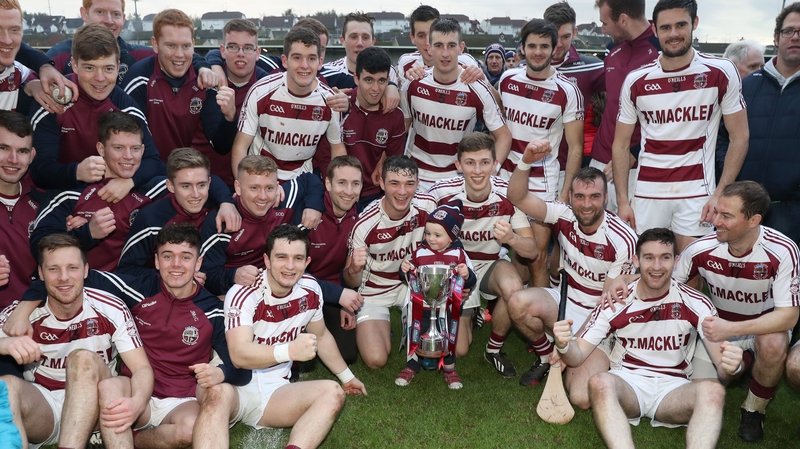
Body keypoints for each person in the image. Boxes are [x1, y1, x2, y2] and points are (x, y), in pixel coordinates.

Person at [7, 223, 251, 448]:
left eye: (186, 257)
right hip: (134, 388)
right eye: (168, 256)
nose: (176, 264)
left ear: (198, 264)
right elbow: (66, 278)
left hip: (180, 400)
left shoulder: (213, 310)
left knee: (188, 432)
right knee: (110, 388)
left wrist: (222, 372)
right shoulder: (136, 290)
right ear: (157, 261)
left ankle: (134, 439)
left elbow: (242, 368)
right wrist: (23, 310)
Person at [553, 228, 744, 448]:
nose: (657, 266)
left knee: (714, 391)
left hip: (673, 388)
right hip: (628, 383)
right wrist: (564, 345)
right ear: (636, 261)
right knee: (600, 382)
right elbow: (577, 356)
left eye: (665, 257)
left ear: (676, 261)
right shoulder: (616, 300)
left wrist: (734, 367)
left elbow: (723, 369)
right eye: (649, 257)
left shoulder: (697, 302)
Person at [611, 0, 749, 256]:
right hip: (648, 193)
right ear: (654, 29)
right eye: (665, 27)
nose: (673, 34)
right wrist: (622, 201)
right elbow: (620, 144)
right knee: (649, 267)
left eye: (680, 25)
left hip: (697, 193)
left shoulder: (720, 71)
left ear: (694, 23)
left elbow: (740, 137)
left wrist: (719, 194)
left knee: (690, 268)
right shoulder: (636, 80)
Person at [507, 141, 637, 405]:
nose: (586, 204)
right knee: (518, 302)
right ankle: (545, 355)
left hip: (600, 319)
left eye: (594, 197)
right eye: (579, 197)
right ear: (570, 197)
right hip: (565, 304)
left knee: (581, 398)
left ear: (606, 198)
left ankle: (596, 358)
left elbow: (606, 306)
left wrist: (571, 346)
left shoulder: (622, 239)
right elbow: (517, 197)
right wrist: (526, 160)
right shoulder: (563, 214)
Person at [671, 181, 798, 442]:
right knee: (695, 403)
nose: (715, 221)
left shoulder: (783, 250)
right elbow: (669, 288)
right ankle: (744, 365)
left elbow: (788, 316)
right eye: (717, 212)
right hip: (719, 332)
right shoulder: (700, 249)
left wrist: (731, 328)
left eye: (726, 216)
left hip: (760, 329)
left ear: (753, 221)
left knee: (773, 344)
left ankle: (753, 409)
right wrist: (627, 279)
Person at [0, 234, 153, 448]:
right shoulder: (21, 315)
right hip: (46, 406)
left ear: (86, 270)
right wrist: (4, 344)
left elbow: (141, 368)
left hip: (97, 405)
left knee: (82, 359)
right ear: (41, 273)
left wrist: (137, 403)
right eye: (53, 269)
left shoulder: (111, 307)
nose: (64, 277)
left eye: (72, 268)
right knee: (6, 386)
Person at [223, 225, 367, 449]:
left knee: (333, 393)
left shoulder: (311, 289)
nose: (290, 266)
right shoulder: (245, 293)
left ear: (307, 262)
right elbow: (239, 355)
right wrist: (289, 351)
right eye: (281, 257)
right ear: (267, 260)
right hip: (235, 388)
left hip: (276, 392)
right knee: (215, 396)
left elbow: (321, 336)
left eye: (298, 258)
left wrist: (347, 377)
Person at [427, 132, 536, 372]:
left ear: (495, 164)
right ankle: (471, 311)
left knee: (514, 288)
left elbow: (532, 250)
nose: (477, 171)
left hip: (489, 266)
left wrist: (512, 238)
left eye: (484, 162)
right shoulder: (440, 193)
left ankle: (493, 349)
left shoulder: (508, 194)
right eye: (470, 163)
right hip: (454, 270)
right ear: (458, 165)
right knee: (460, 349)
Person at [498, 18, 584, 288]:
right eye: (532, 46)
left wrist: (564, 194)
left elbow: (576, 147)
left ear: (554, 48)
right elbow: (498, 127)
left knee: (536, 258)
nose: (538, 52)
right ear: (522, 48)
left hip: (541, 183)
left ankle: (544, 312)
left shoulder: (568, 90)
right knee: (508, 251)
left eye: (544, 46)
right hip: (505, 177)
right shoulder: (507, 79)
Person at [29, 24, 164, 193]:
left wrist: (129, 182)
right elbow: (39, 170)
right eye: (90, 68)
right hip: (61, 196)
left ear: (118, 66)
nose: (100, 78)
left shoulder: (126, 106)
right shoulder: (53, 101)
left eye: (108, 69)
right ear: (74, 65)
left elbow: (153, 161)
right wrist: (77, 172)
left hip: (110, 193)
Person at [30, 111, 168, 272]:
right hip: (81, 284)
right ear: (101, 149)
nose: (128, 156)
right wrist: (87, 233)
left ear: (143, 150)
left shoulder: (155, 189)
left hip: (132, 283)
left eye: (135, 148)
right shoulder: (69, 191)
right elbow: (38, 248)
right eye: (118, 148)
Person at [717, 2, 800, 246]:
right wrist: (731, 174)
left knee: (787, 270)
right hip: (742, 207)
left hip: (792, 209)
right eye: (789, 31)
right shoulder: (746, 85)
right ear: (776, 37)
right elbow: (721, 137)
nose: (795, 37)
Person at [344, 155, 436, 369]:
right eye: (394, 183)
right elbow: (350, 281)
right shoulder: (365, 224)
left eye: (409, 184)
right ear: (381, 183)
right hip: (374, 290)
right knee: (376, 359)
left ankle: (410, 317)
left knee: (440, 350)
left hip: (412, 284)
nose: (402, 192)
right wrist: (354, 268)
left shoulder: (428, 206)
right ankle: (388, 323)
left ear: (418, 184)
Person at [402, 18, 511, 191]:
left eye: (451, 46)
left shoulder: (477, 88)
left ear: (461, 48)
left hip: (458, 179)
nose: (445, 53)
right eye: (439, 46)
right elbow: (401, 130)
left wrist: (491, 172)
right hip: (416, 176)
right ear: (429, 48)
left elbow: (504, 136)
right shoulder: (413, 83)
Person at [121, 9, 237, 163]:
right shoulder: (139, 80)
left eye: (186, 46)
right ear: (155, 44)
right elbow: (128, 144)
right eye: (171, 45)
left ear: (193, 45)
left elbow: (221, 145)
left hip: (185, 170)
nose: (180, 54)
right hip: (146, 170)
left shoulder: (204, 80)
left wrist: (230, 116)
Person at [199, 155, 324, 296]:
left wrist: (314, 206)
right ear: (238, 188)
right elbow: (207, 277)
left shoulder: (283, 199)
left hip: (278, 282)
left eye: (269, 188)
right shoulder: (222, 222)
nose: (263, 196)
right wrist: (233, 276)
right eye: (254, 188)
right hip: (239, 291)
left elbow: (310, 179)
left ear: (277, 186)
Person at [230, 27, 345, 182]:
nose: (304, 65)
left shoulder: (330, 101)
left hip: (301, 180)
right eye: (297, 57)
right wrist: (242, 187)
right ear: (285, 61)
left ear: (320, 62)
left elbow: (337, 148)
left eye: (311, 58)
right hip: (260, 177)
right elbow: (240, 146)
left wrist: (339, 185)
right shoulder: (260, 91)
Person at [117, 147, 239, 278]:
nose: (196, 194)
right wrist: (175, 276)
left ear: (209, 183)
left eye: (201, 185)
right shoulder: (151, 220)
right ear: (170, 186)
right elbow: (126, 270)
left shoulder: (218, 205)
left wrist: (227, 203)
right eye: (186, 186)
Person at [396, 201, 477, 389]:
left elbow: (470, 282)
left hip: (447, 307)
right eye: (427, 233)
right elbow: (407, 277)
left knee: (448, 336)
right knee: (417, 333)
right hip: (421, 306)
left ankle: (449, 369)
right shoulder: (419, 252)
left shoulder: (458, 254)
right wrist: (404, 269)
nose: (430, 238)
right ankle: (411, 366)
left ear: (451, 236)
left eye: (437, 235)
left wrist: (467, 275)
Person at [589, 0, 660, 214]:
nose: (603, 30)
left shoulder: (661, 50)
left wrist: (634, 152)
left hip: (635, 166)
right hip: (599, 160)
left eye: (605, 23)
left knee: (631, 231)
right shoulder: (612, 49)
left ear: (623, 20)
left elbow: (674, 116)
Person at [44, 0, 214, 88]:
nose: (109, 21)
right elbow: (38, 79)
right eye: (100, 12)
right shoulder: (59, 56)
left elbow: (178, 54)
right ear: (84, 14)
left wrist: (204, 68)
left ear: (124, 19)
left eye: (116, 14)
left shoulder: (139, 55)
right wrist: (35, 85)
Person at [306, 156, 366, 365]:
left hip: (333, 293)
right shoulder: (309, 213)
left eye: (355, 184)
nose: (349, 191)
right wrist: (339, 295)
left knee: (347, 354)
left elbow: (351, 270)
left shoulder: (361, 220)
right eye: (342, 183)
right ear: (328, 184)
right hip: (300, 291)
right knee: (305, 357)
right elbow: (291, 274)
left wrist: (348, 303)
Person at [195, 18, 268, 188]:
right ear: (222, 50)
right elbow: (220, 145)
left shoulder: (267, 86)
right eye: (233, 47)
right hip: (206, 182)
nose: (241, 53)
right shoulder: (208, 81)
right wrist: (230, 116)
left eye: (248, 48)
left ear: (257, 53)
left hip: (254, 185)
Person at [337, 46, 406, 207]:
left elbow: (392, 164)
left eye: (381, 81)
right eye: (368, 80)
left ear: (388, 80)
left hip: (374, 195)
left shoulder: (395, 115)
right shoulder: (340, 106)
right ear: (356, 78)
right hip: (338, 192)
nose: (375, 88)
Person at [0, 111, 42, 308]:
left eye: (22, 151)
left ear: (32, 156)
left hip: (36, 316)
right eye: (3, 148)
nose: (13, 160)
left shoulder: (45, 206)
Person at [396, 5, 481, 89]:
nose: (428, 42)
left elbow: (487, 93)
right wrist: (403, 84)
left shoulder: (467, 62)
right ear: (413, 38)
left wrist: (482, 78)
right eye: (421, 36)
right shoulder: (405, 64)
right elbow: (400, 96)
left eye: (431, 35)